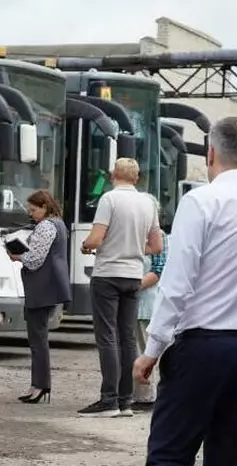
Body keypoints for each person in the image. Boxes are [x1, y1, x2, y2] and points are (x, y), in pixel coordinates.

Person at [136, 116, 237, 466]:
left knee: (167, 460)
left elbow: (177, 282)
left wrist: (152, 348)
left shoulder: (204, 200)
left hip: (203, 345)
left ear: (210, 156)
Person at [78, 158, 163, 418]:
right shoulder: (148, 202)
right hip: (133, 276)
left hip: (108, 274)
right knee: (127, 338)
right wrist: (135, 248)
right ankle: (126, 400)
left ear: (113, 174)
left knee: (107, 337)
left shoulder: (109, 199)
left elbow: (96, 238)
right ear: (136, 178)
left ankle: (109, 399)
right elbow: (157, 246)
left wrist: (86, 245)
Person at [12, 189, 71, 404]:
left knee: (37, 339)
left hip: (41, 287)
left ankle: (40, 385)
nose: (31, 213)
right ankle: (38, 384)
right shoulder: (59, 224)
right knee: (39, 337)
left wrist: (17, 255)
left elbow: (35, 259)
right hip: (51, 286)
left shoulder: (46, 226)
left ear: (44, 207)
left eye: (34, 209)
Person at [133, 228, 167, 412]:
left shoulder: (158, 236)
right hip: (136, 303)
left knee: (144, 349)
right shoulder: (136, 234)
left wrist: (132, 287)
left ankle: (146, 396)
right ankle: (138, 394)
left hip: (147, 302)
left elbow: (159, 270)